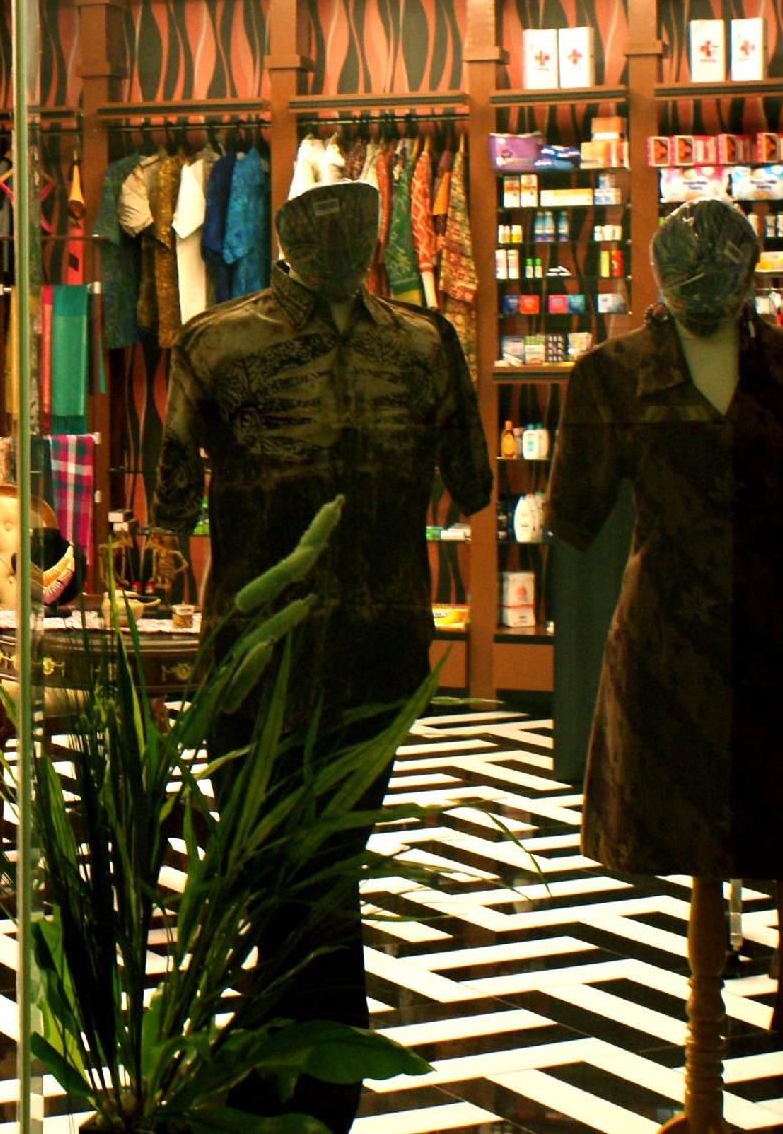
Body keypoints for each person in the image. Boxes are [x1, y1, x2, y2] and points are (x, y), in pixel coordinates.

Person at [547, 197, 783, 1134]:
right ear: (657, 274)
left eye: (721, 267)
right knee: (674, 833)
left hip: (769, 631)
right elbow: (573, 511)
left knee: (759, 821)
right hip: (660, 633)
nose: (703, 283)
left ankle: (710, 1091)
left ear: (751, 273)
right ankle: (694, 1098)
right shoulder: (609, 374)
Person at [153, 179, 491, 1134]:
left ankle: (297, 1070)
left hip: (374, 641)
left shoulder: (424, 341)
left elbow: (471, 478)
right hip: (259, 648)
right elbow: (172, 497)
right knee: (273, 860)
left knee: (330, 855)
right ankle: (310, 1064)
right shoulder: (215, 342)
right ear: (290, 238)